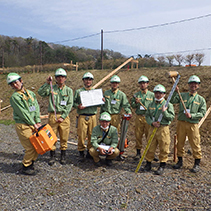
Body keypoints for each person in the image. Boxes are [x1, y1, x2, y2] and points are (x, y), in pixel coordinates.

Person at [7, 73, 42, 175]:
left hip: (33, 123)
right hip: (23, 125)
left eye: (16, 82)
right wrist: (33, 123)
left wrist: (38, 120)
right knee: (30, 147)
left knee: (37, 145)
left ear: (21, 81)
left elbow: (36, 107)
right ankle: (26, 166)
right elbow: (23, 113)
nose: (14, 85)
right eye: (12, 84)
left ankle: (31, 163)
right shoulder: (15, 97)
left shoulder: (30, 93)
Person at [170, 75, 206, 173]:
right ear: (188, 85)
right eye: (191, 84)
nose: (193, 85)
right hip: (181, 123)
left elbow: (202, 113)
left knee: (195, 143)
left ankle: (196, 164)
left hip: (193, 124)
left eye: (195, 84)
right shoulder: (182, 95)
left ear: (198, 86)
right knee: (180, 143)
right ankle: (180, 162)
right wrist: (174, 90)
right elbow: (172, 101)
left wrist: (192, 115)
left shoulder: (200, 100)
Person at [38, 68, 73, 165]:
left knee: (64, 137)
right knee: (52, 136)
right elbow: (41, 93)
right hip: (53, 115)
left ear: (65, 78)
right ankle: (52, 156)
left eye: (62, 77)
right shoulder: (51, 88)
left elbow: (70, 104)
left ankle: (63, 156)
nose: (60, 79)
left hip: (64, 116)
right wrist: (46, 83)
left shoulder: (69, 90)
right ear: (55, 78)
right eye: (58, 77)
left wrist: (63, 116)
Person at [143, 84, 175, 175]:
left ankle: (162, 165)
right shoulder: (151, 104)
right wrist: (151, 123)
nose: (158, 95)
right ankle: (148, 163)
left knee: (164, 147)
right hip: (152, 128)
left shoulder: (168, 105)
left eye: (160, 93)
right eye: (156, 93)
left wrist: (164, 112)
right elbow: (147, 116)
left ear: (164, 94)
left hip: (163, 129)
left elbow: (171, 117)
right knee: (150, 146)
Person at [73, 72, 98, 161]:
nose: (88, 81)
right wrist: (78, 106)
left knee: (92, 135)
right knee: (81, 135)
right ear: (83, 80)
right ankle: (81, 152)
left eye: (90, 79)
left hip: (92, 116)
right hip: (82, 116)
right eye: (86, 79)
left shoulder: (95, 92)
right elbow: (73, 102)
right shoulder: (79, 92)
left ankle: (90, 152)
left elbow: (100, 104)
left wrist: (102, 100)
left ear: (92, 81)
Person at [131, 75, 154, 160]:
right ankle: (138, 153)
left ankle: (151, 153)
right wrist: (136, 103)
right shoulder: (136, 95)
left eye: (144, 83)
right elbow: (132, 105)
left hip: (148, 118)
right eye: (141, 83)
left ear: (147, 84)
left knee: (150, 135)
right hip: (139, 117)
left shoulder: (152, 95)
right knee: (138, 135)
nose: (142, 85)